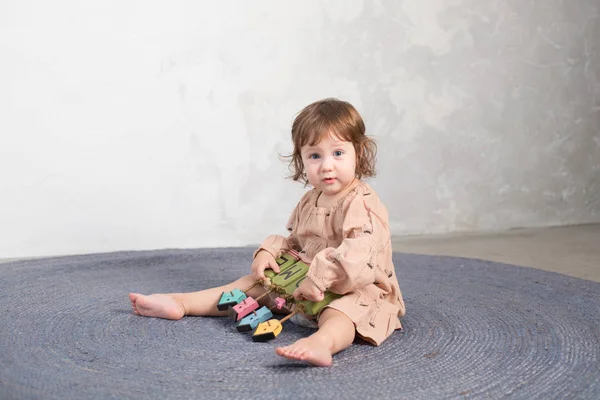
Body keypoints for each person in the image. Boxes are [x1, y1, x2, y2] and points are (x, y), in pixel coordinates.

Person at [129, 98, 405, 367]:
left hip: (356, 286)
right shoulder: (311, 199)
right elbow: (297, 241)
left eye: (338, 153)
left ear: (359, 151)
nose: (326, 165)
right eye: (314, 155)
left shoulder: (363, 203)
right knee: (251, 284)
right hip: (304, 281)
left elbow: (360, 254)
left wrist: (320, 280)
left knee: (342, 313)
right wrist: (269, 252)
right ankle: (182, 302)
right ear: (301, 159)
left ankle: (323, 343)